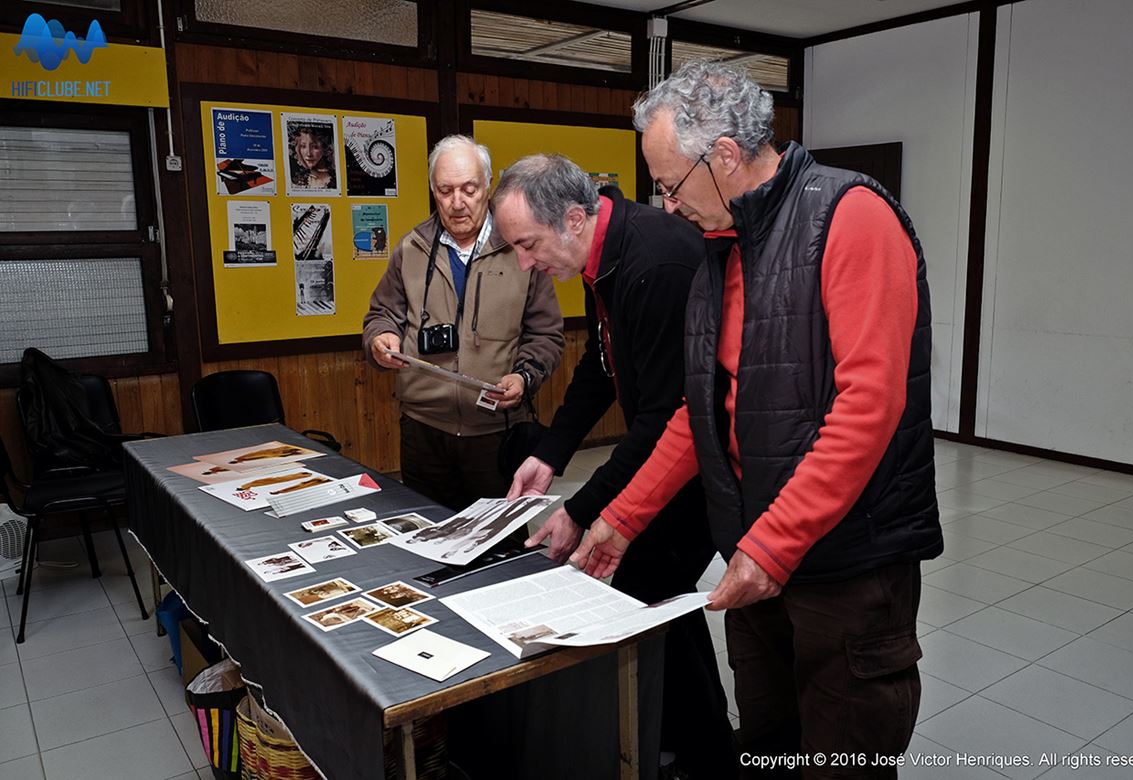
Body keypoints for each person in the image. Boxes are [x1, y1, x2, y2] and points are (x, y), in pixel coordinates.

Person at [570, 61, 943, 778]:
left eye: (671, 185)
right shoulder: (723, 246)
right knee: (769, 742)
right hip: (758, 557)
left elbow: (869, 408)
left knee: (844, 757)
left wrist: (769, 547)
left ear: (726, 157)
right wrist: (621, 519)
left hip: (845, 565)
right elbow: (699, 411)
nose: (668, 206)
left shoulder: (850, 216)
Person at [494, 154, 735, 779]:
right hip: (664, 456)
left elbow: (660, 419)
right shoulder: (600, 252)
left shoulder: (654, 262)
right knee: (655, 602)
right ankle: (687, 742)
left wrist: (579, 510)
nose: (525, 263)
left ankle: (697, 749)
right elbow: (601, 365)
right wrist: (549, 454)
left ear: (574, 218)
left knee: (650, 595)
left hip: (699, 470)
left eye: (527, 245)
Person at [363, 135, 564, 510]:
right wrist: (382, 336)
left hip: (495, 432)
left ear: (488, 186)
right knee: (426, 538)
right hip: (423, 431)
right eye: (445, 190)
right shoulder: (412, 249)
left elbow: (547, 335)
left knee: (500, 548)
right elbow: (380, 314)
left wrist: (523, 377)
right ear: (433, 191)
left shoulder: (521, 248)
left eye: (469, 189)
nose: (457, 203)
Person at [288, 125, 336, 189]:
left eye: (315, 147)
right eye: (303, 146)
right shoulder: (297, 181)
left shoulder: (334, 179)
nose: (309, 154)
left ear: (325, 147)